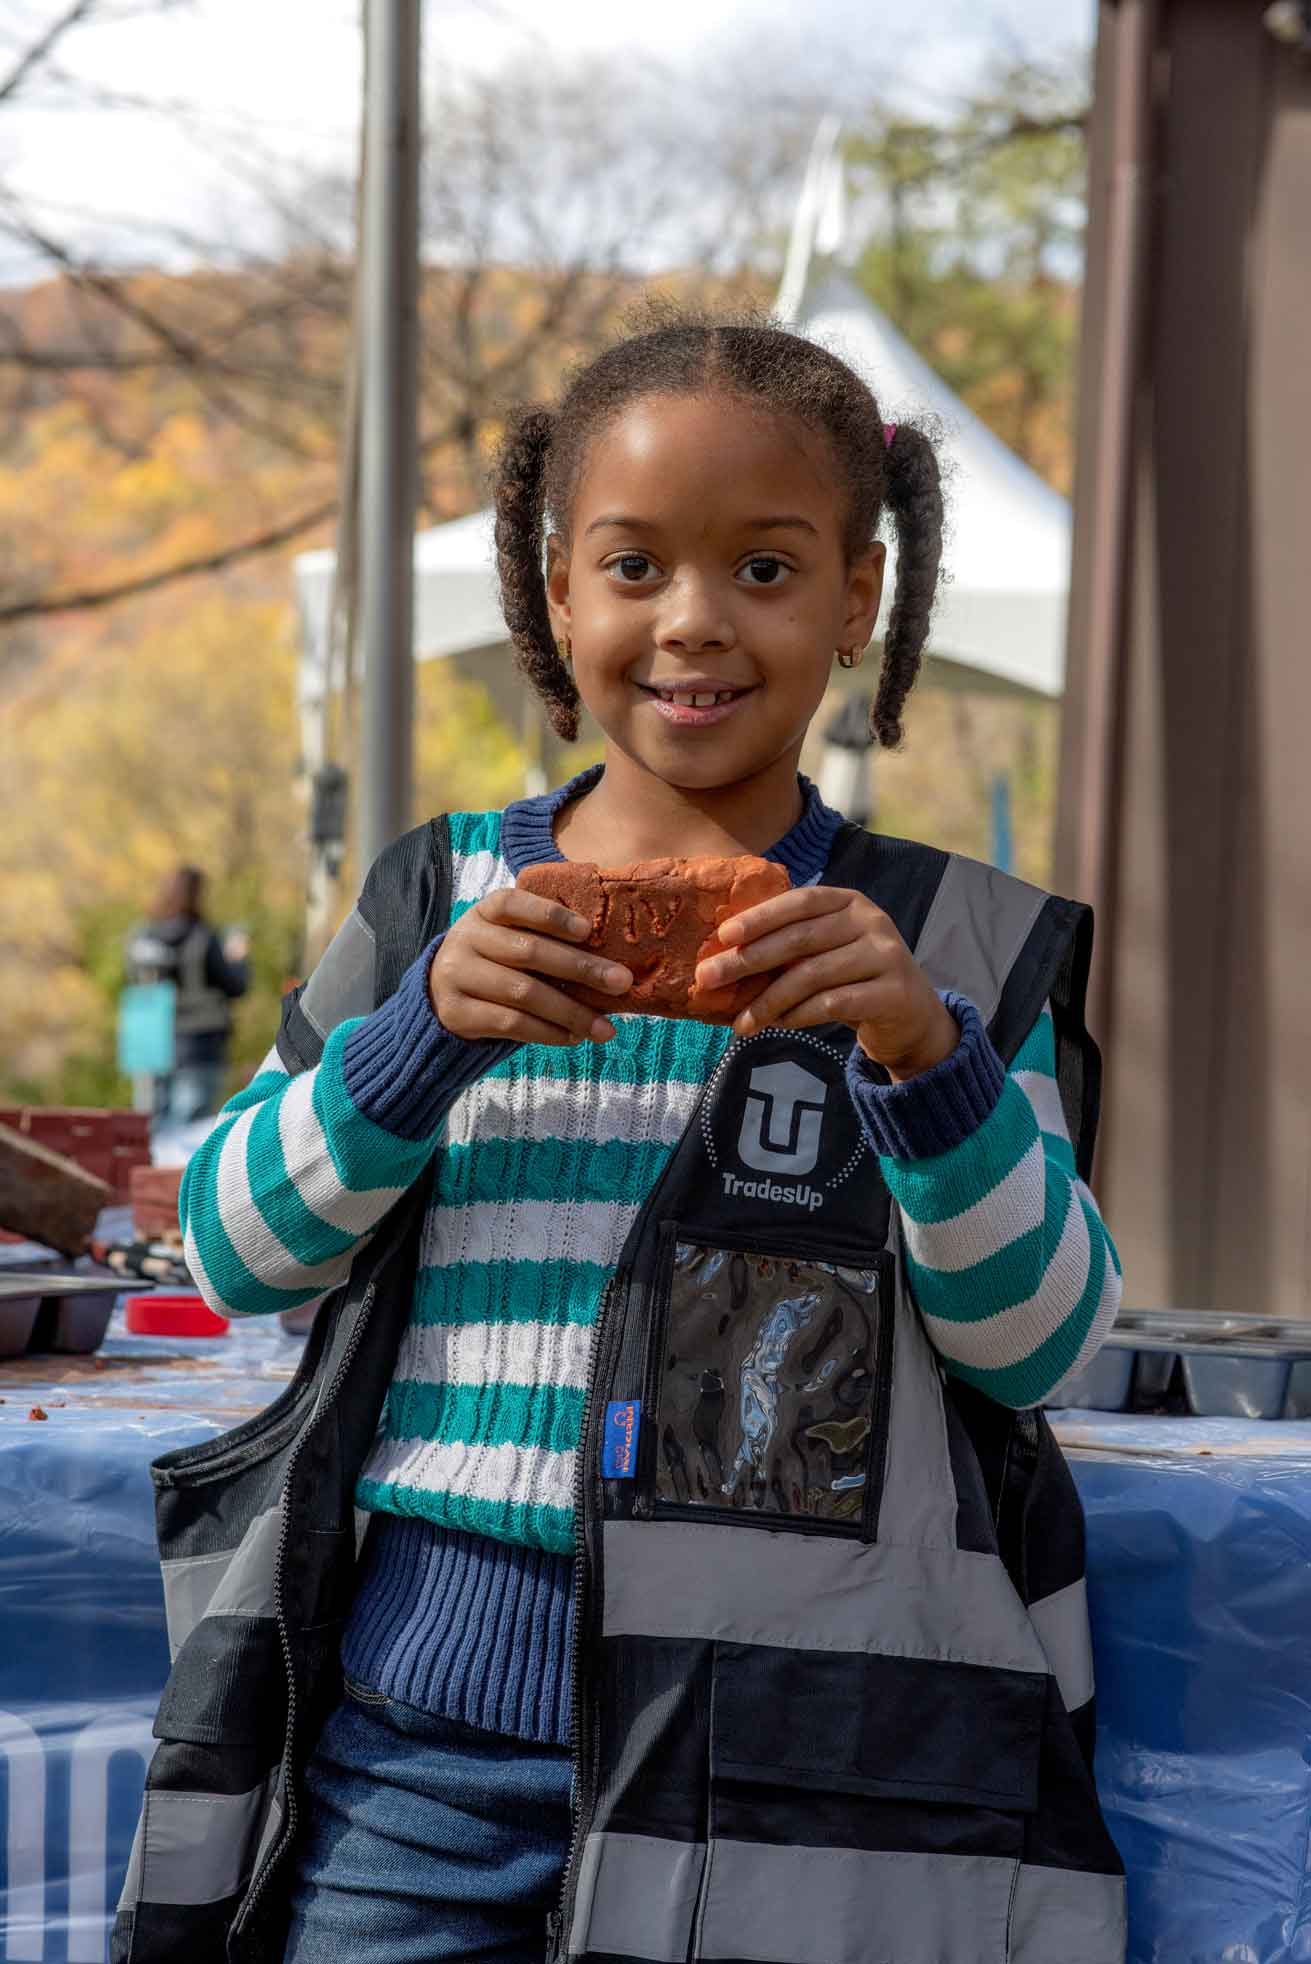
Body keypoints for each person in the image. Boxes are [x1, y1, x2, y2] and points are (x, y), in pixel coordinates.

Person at [118, 314, 1126, 1964]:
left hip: (798, 1771)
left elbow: (1044, 1345)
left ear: (858, 600)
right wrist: (418, 1033)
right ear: (560, 591)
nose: (694, 622)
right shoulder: (432, 903)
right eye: (636, 563)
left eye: (767, 568)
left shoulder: (941, 948)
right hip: (419, 1747)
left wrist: (929, 1060)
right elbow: (234, 1241)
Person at [124, 865, 249, 1123]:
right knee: (188, 1137)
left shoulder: (142, 937)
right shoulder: (204, 938)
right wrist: (238, 957)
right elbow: (236, 986)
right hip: (198, 1045)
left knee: (150, 1130)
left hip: (150, 1044)